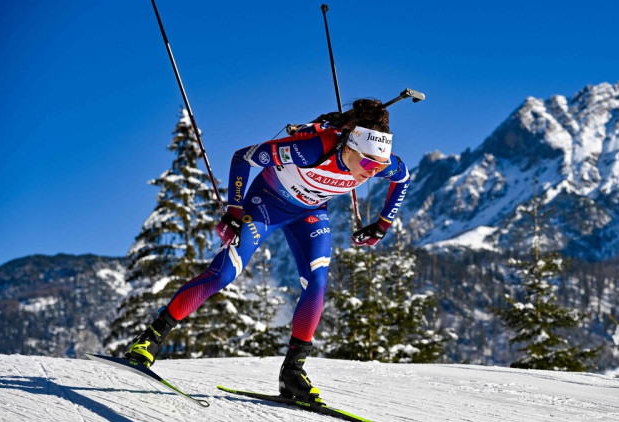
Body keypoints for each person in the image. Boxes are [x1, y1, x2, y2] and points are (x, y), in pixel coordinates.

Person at [124, 99, 410, 402]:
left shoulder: (377, 163)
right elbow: (244, 157)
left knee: (317, 283)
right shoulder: (314, 148)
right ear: (350, 147)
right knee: (223, 274)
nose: (372, 173)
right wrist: (234, 210)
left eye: (379, 166)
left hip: (309, 213)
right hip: (267, 204)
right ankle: (150, 339)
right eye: (367, 163)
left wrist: (381, 225)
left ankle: (292, 373)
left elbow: (402, 179)